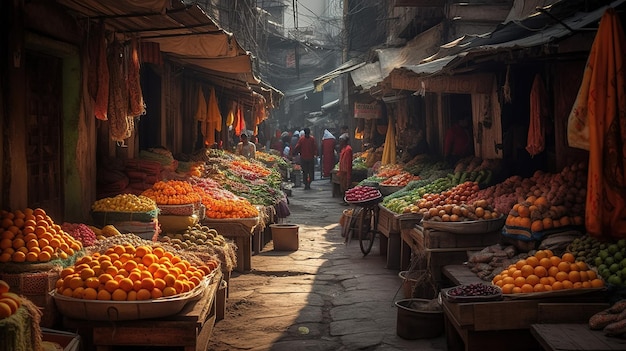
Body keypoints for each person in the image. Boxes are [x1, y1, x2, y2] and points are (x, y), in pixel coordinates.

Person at [337, 134, 353, 203]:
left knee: (346, 186)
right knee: (343, 186)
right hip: (342, 170)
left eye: (341, 141)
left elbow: (348, 162)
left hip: (346, 170)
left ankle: (346, 200)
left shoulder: (348, 149)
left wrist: (348, 173)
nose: (340, 142)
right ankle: (344, 199)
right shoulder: (344, 149)